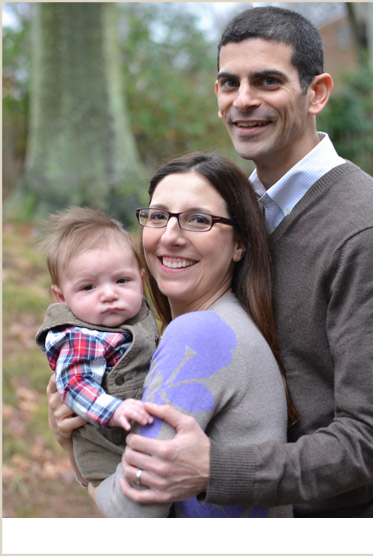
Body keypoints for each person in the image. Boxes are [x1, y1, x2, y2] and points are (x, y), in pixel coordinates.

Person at [49, 6, 373, 518]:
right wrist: (92, 432)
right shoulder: (238, 206)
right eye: (229, 83)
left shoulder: (365, 228)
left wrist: (217, 469)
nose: (244, 100)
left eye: (268, 81)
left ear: (316, 92)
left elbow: (372, 438)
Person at [85, 152, 291, 517]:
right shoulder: (223, 324)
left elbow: (134, 513)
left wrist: (80, 456)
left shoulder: (200, 334)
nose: (171, 236)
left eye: (198, 220)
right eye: (158, 216)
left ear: (240, 244)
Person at [35, 207, 158, 487]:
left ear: (141, 278)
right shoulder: (81, 336)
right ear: (61, 296)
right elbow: (75, 383)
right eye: (88, 287)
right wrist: (113, 410)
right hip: (107, 455)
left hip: (137, 444)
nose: (109, 294)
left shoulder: (137, 319)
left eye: (122, 280)